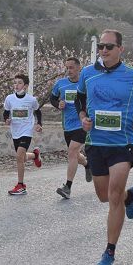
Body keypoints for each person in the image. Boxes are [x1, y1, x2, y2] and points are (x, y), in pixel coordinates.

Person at [75, 30, 133, 265]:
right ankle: (130, 197)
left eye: (109, 46)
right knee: (104, 196)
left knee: (114, 192)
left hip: (122, 143)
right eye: (101, 46)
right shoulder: (87, 74)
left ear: (121, 49)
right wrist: (82, 118)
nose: (104, 50)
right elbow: (79, 99)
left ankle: (109, 251)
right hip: (96, 143)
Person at [48, 57, 92, 199]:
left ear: (79, 68)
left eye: (72, 67)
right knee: (74, 154)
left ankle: (67, 187)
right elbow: (52, 98)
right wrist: (58, 104)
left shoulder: (85, 84)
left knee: (72, 152)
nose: (69, 70)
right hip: (68, 126)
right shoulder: (60, 84)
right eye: (67, 67)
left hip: (82, 124)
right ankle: (87, 163)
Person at [2, 73, 43, 195]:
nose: (16, 85)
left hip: (27, 130)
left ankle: (21, 185)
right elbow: (6, 112)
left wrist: (39, 123)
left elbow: (38, 112)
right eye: (15, 82)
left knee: (19, 156)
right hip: (15, 131)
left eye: (19, 83)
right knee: (22, 157)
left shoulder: (31, 100)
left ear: (25, 86)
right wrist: (6, 120)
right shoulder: (9, 99)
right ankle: (35, 155)